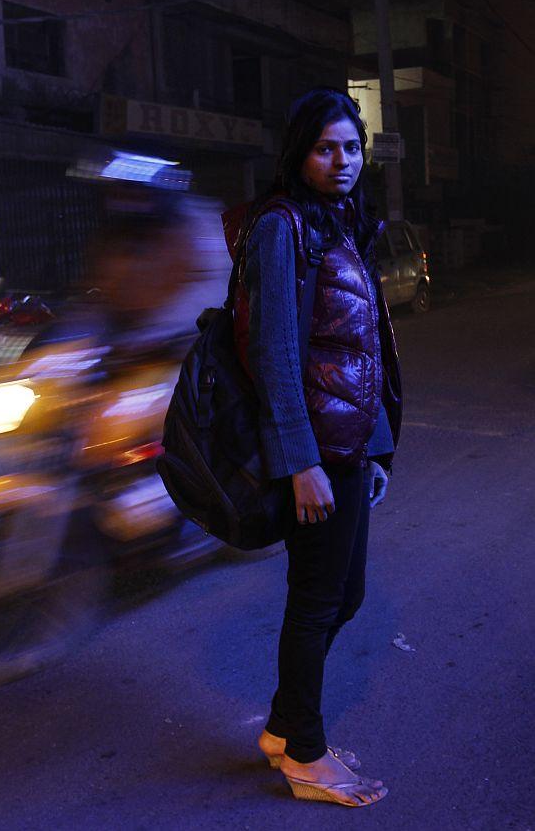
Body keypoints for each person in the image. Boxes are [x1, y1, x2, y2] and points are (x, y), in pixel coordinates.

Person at [233, 87, 402, 808]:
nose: (342, 160)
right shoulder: (281, 226)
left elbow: (362, 347)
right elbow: (274, 352)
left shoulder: (336, 222)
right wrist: (300, 461)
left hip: (347, 448)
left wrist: (376, 450)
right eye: (327, 147)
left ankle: (282, 726)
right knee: (316, 600)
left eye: (352, 147)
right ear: (300, 153)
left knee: (345, 593)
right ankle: (305, 753)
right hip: (316, 454)